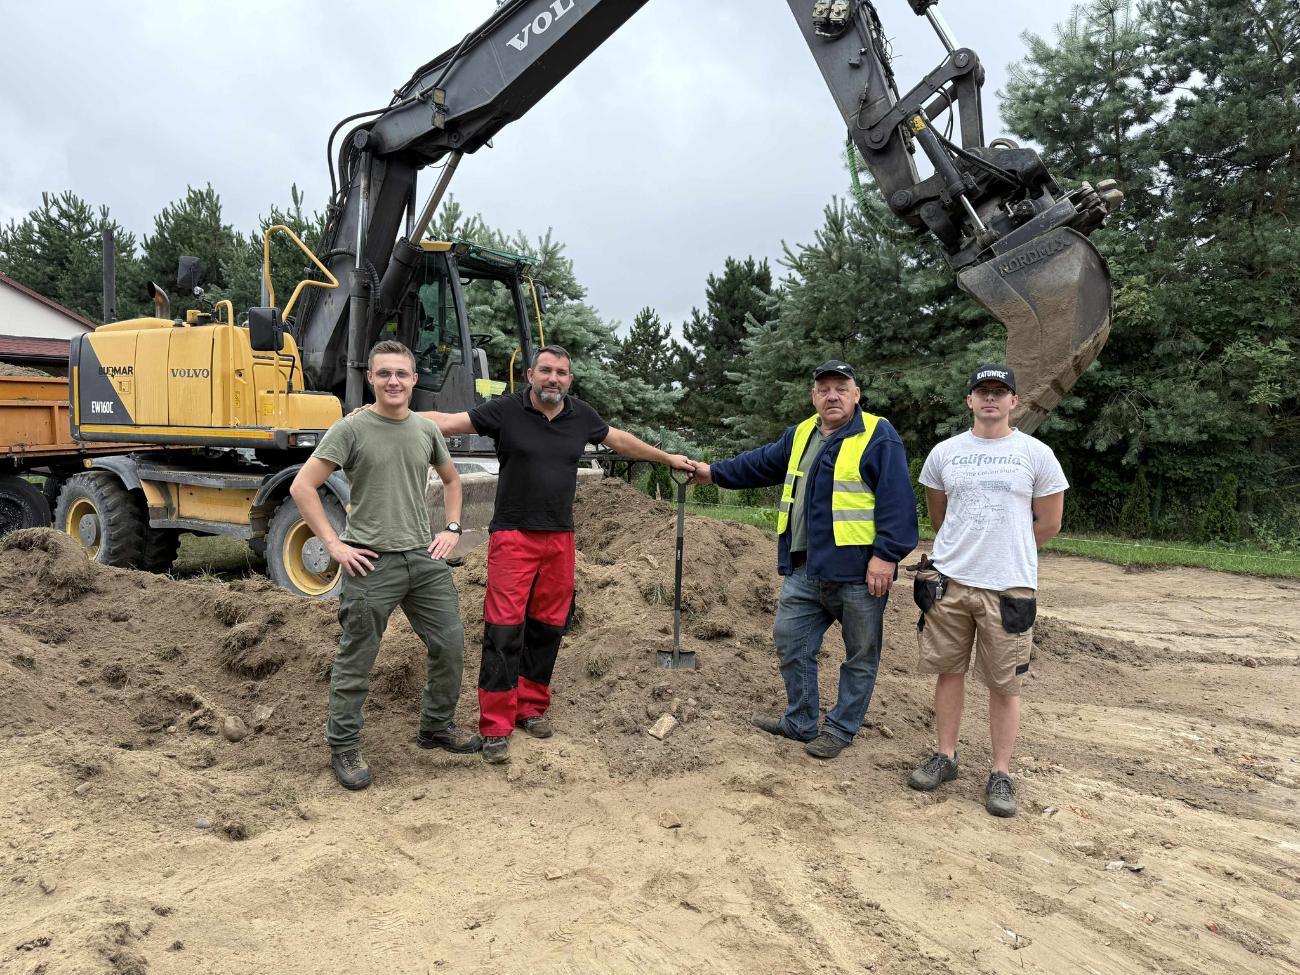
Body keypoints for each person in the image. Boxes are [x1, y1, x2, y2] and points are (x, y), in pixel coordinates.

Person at [416, 345, 695, 763]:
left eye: (561, 373)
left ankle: (531, 707)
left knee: (548, 627)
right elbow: (446, 422)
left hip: (560, 540)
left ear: (569, 379)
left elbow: (620, 441)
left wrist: (668, 457)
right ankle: (495, 726)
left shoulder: (580, 415)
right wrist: (387, 410)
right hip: (513, 537)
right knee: (503, 629)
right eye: (545, 370)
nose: (553, 378)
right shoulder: (504, 410)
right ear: (530, 374)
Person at [689, 361, 919, 759]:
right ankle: (800, 721)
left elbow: (898, 501)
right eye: (824, 389)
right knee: (790, 641)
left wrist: (886, 556)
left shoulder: (877, 434)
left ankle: (841, 728)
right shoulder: (801, 434)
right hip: (805, 569)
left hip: (859, 574)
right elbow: (760, 463)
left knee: (860, 655)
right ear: (814, 396)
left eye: (841, 388)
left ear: (856, 395)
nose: (832, 395)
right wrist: (714, 472)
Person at [291, 340, 480, 791]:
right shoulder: (351, 429)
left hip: (423, 557)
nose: (393, 381)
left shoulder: (425, 429)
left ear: (414, 380)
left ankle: (435, 728)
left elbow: (452, 480)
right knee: (357, 658)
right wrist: (335, 545)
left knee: (450, 644)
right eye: (384, 374)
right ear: (371, 379)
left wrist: (452, 527)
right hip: (370, 562)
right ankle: (344, 746)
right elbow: (303, 487)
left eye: (401, 373)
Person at [909, 364, 1067, 817]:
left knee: (1005, 684)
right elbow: (939, 518)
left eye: (1000, 392)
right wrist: (967, 550)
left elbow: (1050, 522)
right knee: (948, 671)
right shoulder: (945, 453)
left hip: (1009, 587)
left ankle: (1000, 773)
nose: (991, 398)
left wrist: (1006, 548)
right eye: (983, 391)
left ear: (1014, 401)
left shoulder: (1036, 454)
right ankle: (946, 756)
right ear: (970, 401)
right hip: (951, 583)